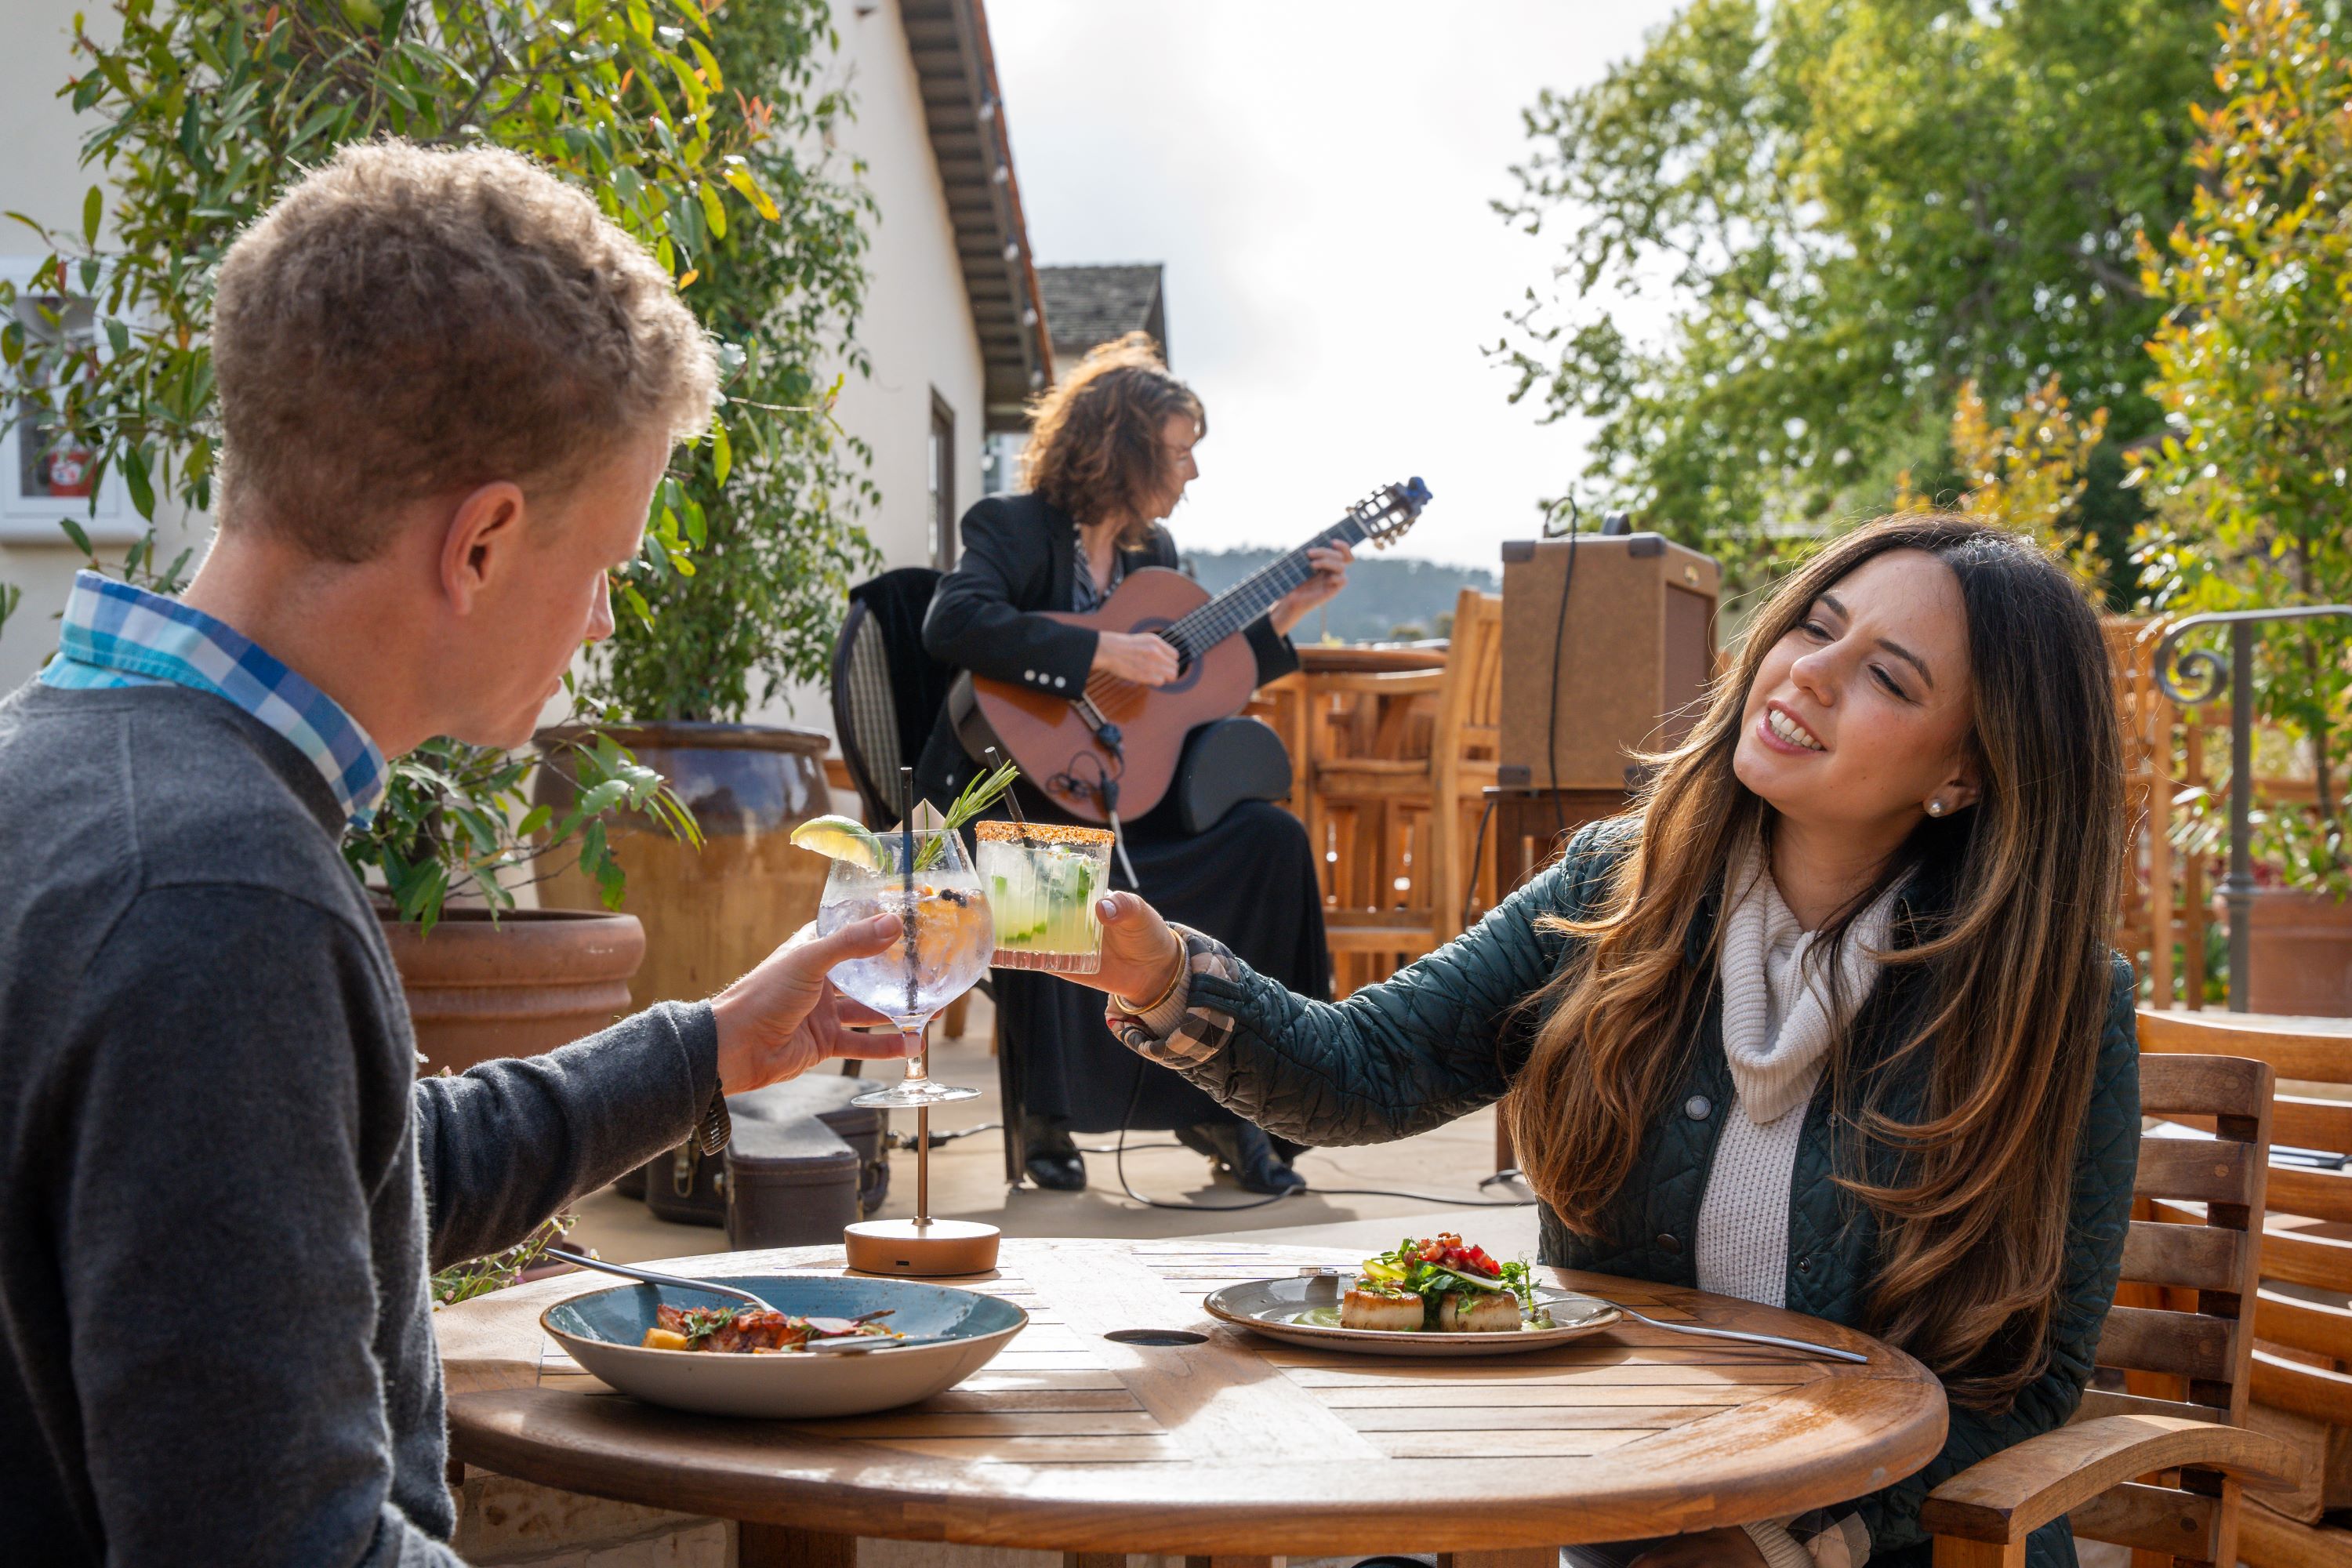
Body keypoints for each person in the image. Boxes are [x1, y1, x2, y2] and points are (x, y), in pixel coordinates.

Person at [0, 142, 914, 1566]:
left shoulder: (61, 770)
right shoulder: (218, 899)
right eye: (604, 560)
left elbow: (326, 1186)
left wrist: (707, 1048)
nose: (602, 622)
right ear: (484, 542)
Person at [1064, 515, 2138, 1568]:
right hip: (1617, 1516)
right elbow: (1368, 1072)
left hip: (1890, 1548)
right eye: (1816, 625)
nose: (1810, 673)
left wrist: (1772, 1544)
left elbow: (2031, 1389)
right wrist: (1167, 977)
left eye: (1890, 679)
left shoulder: (2057, 1006)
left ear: (1966, 773)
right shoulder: (1617, 885)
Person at [914, 333, 1348, 1194]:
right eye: (1181, 451)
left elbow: (1187, 689)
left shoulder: (1159, 561)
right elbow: (952, 624)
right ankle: (1046, 1111)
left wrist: (1289, 613)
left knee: (1270, 843)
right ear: (1126, 445)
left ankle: (1239, 1103)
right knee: (1045, 853)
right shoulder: (1009, 526)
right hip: (1010, 787)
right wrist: (1102, 650)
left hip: (1123, 796)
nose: (1191, 473)